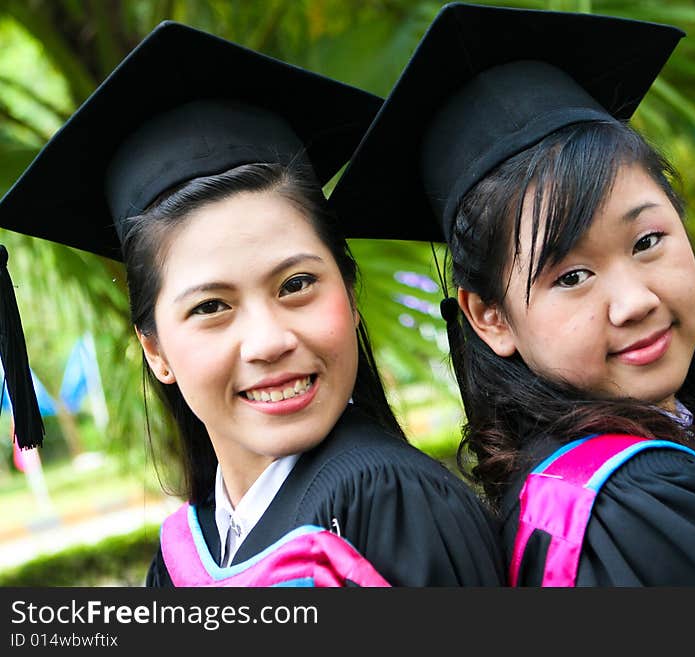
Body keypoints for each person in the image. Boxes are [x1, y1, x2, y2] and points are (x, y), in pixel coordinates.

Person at [330, 2, 695, 585]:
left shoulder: (655, 449)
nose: (634, 300)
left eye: (647, 240)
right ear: (490, 318)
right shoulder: (637, 503)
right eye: (571, 277)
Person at [0, 20, 504, 587]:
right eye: (212, 307)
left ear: (350, 291)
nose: (269, 342)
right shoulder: (189, 551)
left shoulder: (388, 502)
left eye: (295, 285)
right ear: (154, 349)